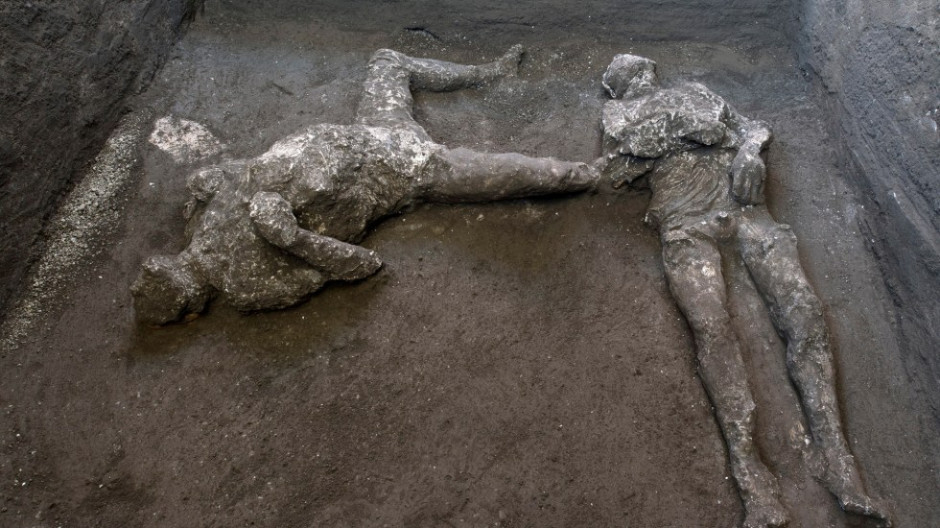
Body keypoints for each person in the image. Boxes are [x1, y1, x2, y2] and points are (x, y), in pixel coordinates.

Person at [599, 53, 890, 527]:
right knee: (712, 328)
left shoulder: (696, 91)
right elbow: (621, 158)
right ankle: (750, 474)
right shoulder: (617, 111)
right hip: (685, 222)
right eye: (631, 72)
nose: (643, 74)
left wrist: (749, 151)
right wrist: (694, 128)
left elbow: (752, 127)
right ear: (621, 85)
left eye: (644, 67)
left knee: (805, 314)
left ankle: (837, 459)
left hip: (746, 209)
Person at [132, 46, 599, 324]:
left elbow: (225, 177)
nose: (189, 257)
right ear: (194, 303)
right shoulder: (246, 287)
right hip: (405, 170)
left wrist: (212, 179)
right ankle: (597, 172)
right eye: (184, 271)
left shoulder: (198, 228)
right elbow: (363, 265)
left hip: (369, 131)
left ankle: (487, 74)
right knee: (535, 174)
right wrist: (290, 237)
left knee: (388, 61)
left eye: (176, 260)